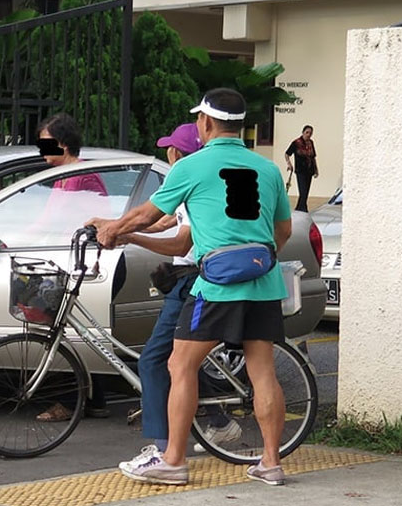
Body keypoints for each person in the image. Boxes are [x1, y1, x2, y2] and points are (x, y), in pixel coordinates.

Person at [91, 88, 292, 487]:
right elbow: (282, 230)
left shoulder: (191, 166)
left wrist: (112, 230)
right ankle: (270, 462)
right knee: (262, 372)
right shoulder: (267, 169)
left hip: (216, 286)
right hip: (264, 282)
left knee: (179, 365)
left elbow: (150, 213)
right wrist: (254, 257)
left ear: (205, 122)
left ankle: (173, 460)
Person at [109, 123, 203, 470]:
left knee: (153, 359)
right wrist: (119, 226)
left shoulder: (192, 181)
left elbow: (182, 242)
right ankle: (221, 422)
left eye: (172, 149)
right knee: (184, 357)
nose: (169, 154)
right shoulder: (194, 181)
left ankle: (164, 448)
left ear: (178, 154)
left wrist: (129, 237)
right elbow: (164, 222)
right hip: (187, 280)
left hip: (190, 282)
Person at [32, 113, 111, 422]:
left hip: (88, 263)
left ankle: (69, 400)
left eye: (46, 142)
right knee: (80, 331)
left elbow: (55, 218)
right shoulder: (65, 175)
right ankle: (94, 398)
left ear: (62, 144)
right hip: (73, 261)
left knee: (67, 331)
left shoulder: (81, 177)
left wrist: (23, 234)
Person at [284, 125, 318, 212]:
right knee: (303, 192)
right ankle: (303, 210)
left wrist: (316, 169)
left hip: (310, 170)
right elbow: (287, 153)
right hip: (300, 171)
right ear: (303, 132)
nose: (308, 135)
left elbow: (313, 157)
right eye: (307, 132)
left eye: (310, 133)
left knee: (306, 192)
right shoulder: (296, 143)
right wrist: (289, 164)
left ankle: (299, 209)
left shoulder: (311, 143)